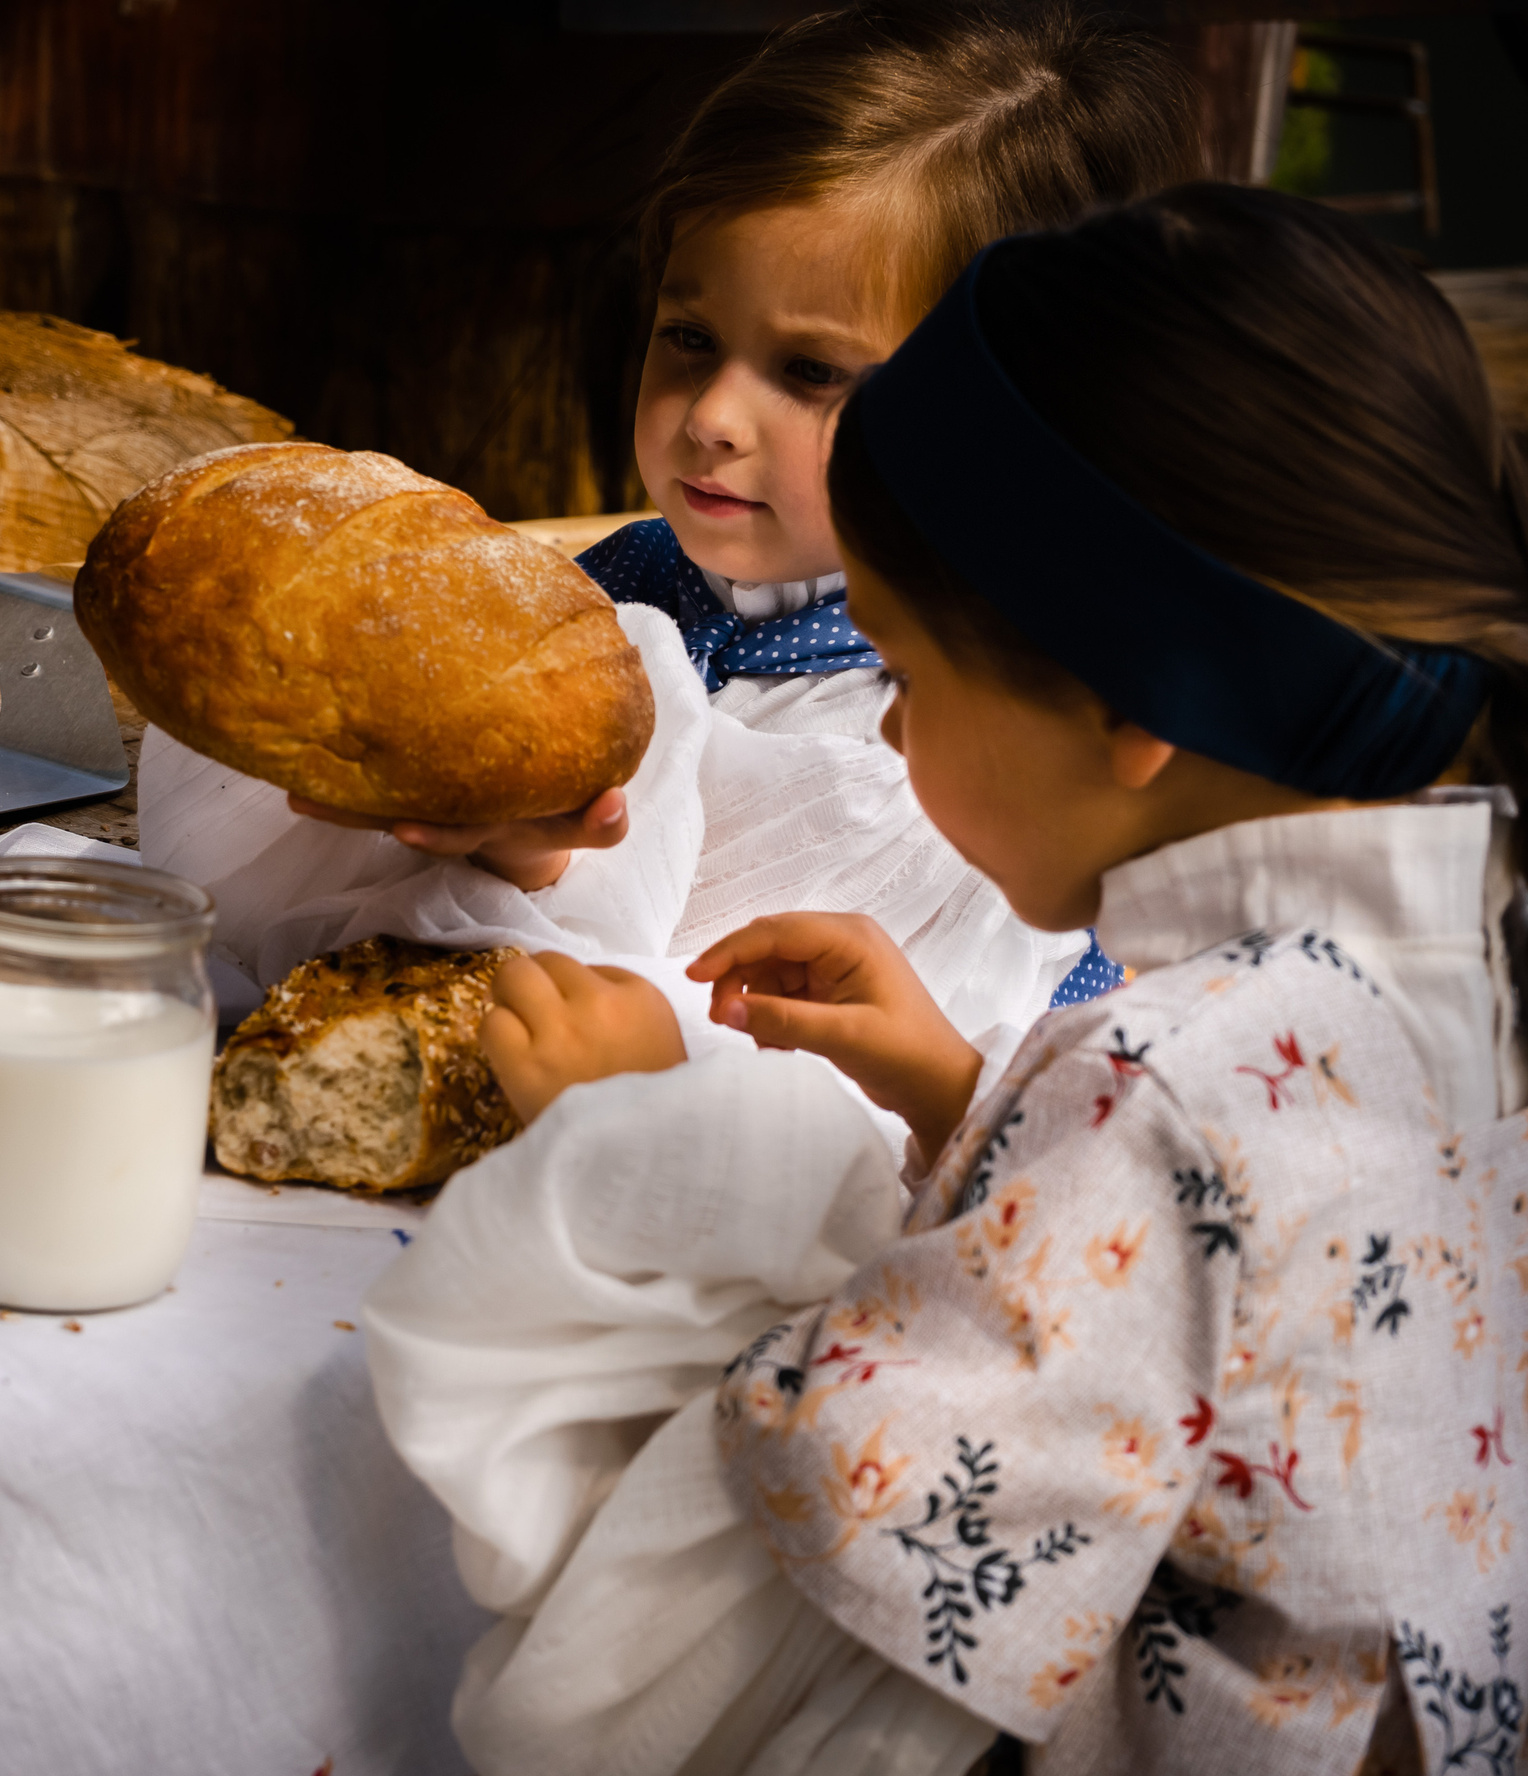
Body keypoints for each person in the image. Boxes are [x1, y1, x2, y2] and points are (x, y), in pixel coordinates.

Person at [366, 184, 1528, 1775]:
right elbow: (1235, 1307)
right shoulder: (1462, 960)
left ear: (1131, 703)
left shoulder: (1164, 1094)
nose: (895, 730)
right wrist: (971, 1102)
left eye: (908, 674)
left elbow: (808, 1558)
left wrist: (654, 1153)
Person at [142, 1, 1195, 1054]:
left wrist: (545, 876)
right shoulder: (610, 593)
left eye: (811, 371)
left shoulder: (941, 756)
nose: (712, 417)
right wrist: (518, 848)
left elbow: (765, 1058)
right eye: (690, 337)